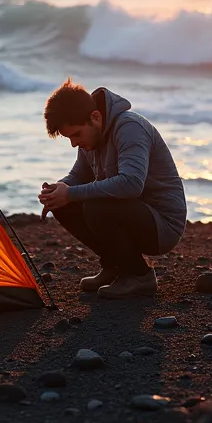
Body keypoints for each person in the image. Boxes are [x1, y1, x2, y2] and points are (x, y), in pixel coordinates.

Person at [38, 79, 186, 298]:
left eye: (76, 135)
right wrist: (57, 191)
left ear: (95, 117)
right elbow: (78, 176)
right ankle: (114, 266)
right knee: (64, 203)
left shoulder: (129, 127)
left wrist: (70, 193)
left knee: (95, 206)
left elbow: (132, 184)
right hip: (130, 212)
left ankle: (139, 276)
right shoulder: (92, 138)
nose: (73, 143)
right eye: (69, 138)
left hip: (162, 224)